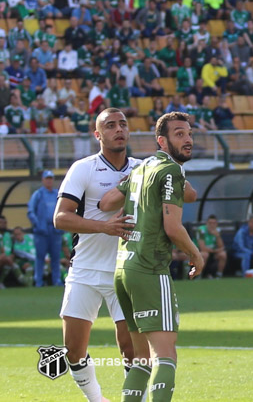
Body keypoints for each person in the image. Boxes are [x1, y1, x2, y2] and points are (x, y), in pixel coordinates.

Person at [99, 111, 204, 402]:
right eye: (179, 134)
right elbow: (172, 227)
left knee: (141, 360)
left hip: (123, 269)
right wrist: (196, 253)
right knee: (166, 355)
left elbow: (105, 202)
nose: (188, 140)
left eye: (190, 134)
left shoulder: (142, 168)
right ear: (162, 140)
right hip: (149, 268)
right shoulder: (170, 170)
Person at [53, 108, 142, 401]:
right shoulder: (83, 168)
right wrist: (104, 227)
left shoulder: (144, 168)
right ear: (98, 134)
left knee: (131, 349)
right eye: (110, 125)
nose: (118, 129)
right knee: (73, 351)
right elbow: (61, 218)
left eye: (123, 125)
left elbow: (186, 193)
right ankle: (97, 399)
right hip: (86, 271)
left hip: (127, 271)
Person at [28, 170, 62, 287]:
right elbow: (31, 211)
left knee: (56, 257)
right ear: (43, 180)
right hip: (42, 231)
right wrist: (38, 224)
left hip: (55, 230)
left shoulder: (57, 194)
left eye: (51, 178)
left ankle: (56, 280)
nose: (49, 181)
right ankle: (39, 281)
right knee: (40, 257)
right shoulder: (38, 194)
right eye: (47, 178)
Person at [195, 214, 227, 279]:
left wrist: (217, 236)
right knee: (205, 255)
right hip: (200, 251)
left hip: (213, 252)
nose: (212, 225)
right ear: (206, 223)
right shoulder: (201, 230)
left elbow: (221, 246)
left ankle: (219, 275)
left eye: (214, 223)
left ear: (216, 224)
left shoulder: (217, 230)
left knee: (223, 254)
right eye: (210, 223)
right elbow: (202, 248)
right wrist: (216, 250)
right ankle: (198, 275)